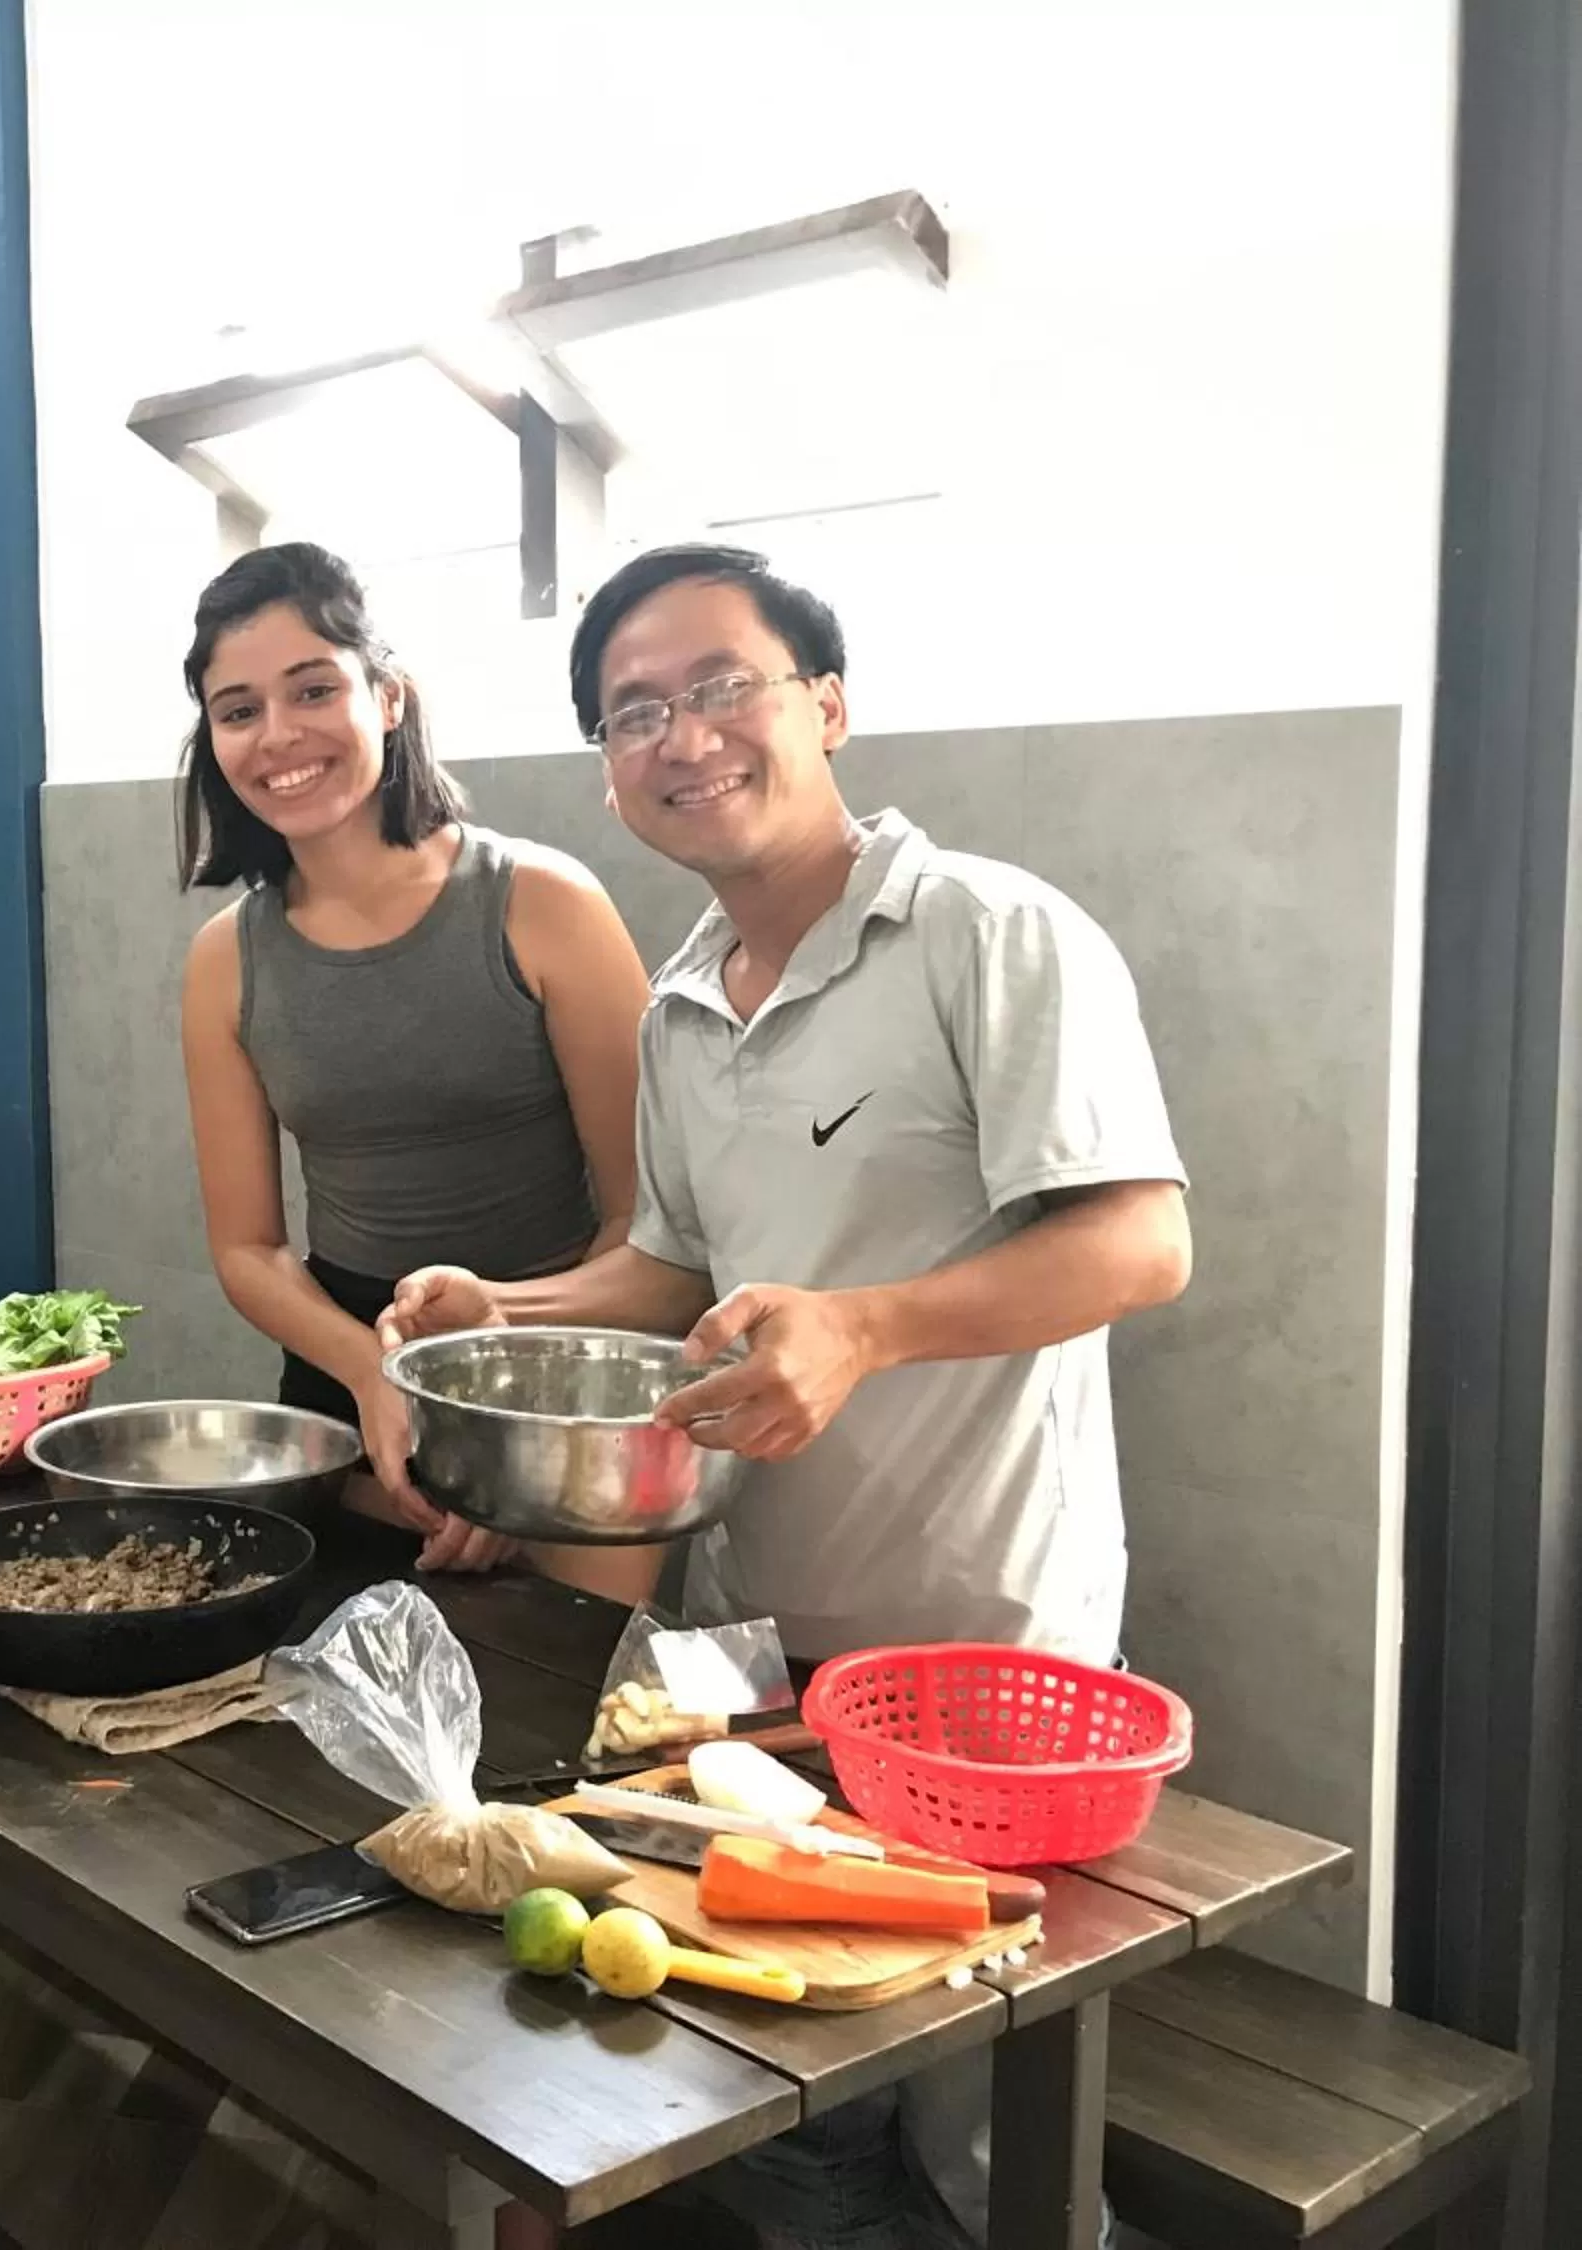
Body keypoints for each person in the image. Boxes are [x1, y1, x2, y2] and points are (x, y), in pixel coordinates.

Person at [387, 543, 1190, 2249]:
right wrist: (505, 1303)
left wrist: (869, 1328)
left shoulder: (990, 930)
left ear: (826, 703)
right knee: (776, 2081)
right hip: (746, 1640)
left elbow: (1139, 1243)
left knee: (986, 2130)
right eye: (632, 713)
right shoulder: (682, 1004)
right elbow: (676, 1272)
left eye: (722, 686)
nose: (682, 737)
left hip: (986, 1644)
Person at [175, 541, 655, 1579]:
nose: (278, 736)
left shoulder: (542, 903)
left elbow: (646, 1225)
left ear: (388, 698)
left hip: (553, 1363)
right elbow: (249, 1249)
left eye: (314, 688)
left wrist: (498, 1406)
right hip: (348, 1381)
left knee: (569, 1708)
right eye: (238, 708)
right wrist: (369, 1371)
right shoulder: (226, 963)